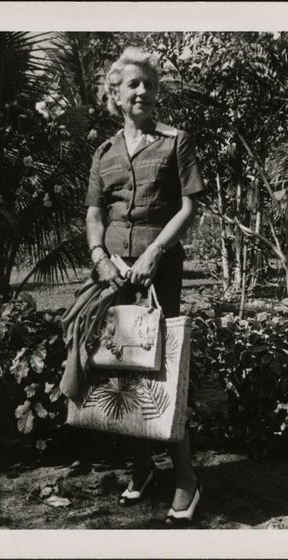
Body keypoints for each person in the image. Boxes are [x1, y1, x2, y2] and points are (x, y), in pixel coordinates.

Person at [85, 47, 206, 525]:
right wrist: (99, 259)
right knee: (121, 370)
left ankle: (185, 477)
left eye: (150, 85)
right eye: (133, 84)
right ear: (115, 94)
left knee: (161, 369)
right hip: (112, 276)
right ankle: (141, 467)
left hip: (160, 275)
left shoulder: (175, 142)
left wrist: (154, 252)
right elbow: (95, 213)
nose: (143, 92)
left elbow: (190, 207)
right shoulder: (104, 152)